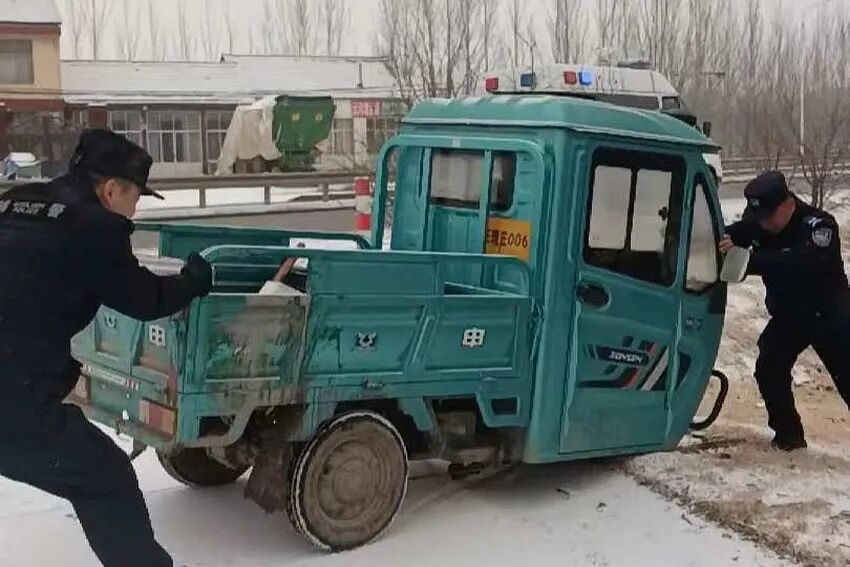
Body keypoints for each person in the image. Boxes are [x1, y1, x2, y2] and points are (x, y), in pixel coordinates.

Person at [0, 129, 213, 566]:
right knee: (105, 478)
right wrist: (193, 280)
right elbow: (146, 299)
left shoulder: (16, 202)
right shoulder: (94, 226)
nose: (135, 210)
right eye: (136, 197)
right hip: (12, 403)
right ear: (112, 189)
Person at [720, 170, 850, 451]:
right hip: (790, 316)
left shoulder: (819, 226)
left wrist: (751, 261)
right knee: (769, 368)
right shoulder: (760, 224)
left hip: (828, 315)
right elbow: (733, 233)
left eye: (768, 216)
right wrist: (726, 241)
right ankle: (789, 438)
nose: (763, 224)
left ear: (787, 204)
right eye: (759, 218)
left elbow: (800, 263)